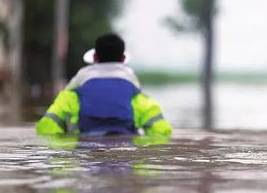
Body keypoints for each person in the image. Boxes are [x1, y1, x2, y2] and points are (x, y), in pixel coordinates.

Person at [36, 33, 172, 138]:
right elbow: (162, 132)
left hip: (84, 157)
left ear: (95, 58)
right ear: (123, 59)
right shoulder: (137, 98)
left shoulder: (71, 96)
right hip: (125, 157)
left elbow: (46, 129)